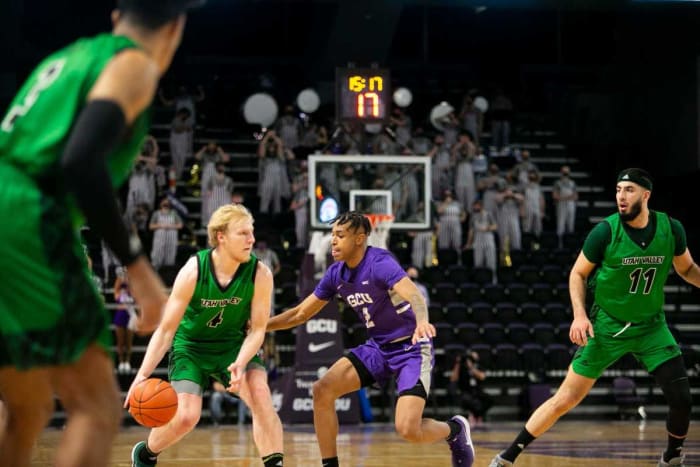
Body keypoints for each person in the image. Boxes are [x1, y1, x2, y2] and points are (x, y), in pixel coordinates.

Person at [0, 1, 198, 464]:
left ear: (114, 16)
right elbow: (80, 161)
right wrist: (139, 269)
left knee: (26, 405)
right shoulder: (134, 64)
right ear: (175, 28)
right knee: (95, 407)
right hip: (26, 215)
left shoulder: (70, 57)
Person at [489, 168, 698, 467]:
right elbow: (577, 273)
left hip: (651, 327)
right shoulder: (605, 231)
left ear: (646, 195)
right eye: (617, 190)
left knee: (682, 399)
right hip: (606, 327)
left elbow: (687, 269)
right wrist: (579, 315)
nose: (621, 197)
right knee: (565, 400)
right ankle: (506, 458)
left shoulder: (671, 228)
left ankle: (672, 457)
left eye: (628, 190)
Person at [267, 211, 474, 467]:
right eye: (332, 235)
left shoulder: (380, 263)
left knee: (408, 429)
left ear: (360, 238)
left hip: (411, 347)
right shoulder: (336, 274)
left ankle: (455, 430)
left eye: (340, 235)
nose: (333, 241)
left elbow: (415, 296)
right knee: (322, 390)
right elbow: (299, 313)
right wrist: (260, 327)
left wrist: (422, 321)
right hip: (378, 348)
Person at [126, 204, 284, 467]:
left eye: (252, 232)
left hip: (233, 346)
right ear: (221, 236)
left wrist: (241, 361)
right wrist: (142, 376)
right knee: (187, 416)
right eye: (243, 233)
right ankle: (146, 454)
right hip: (191, 347)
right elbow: (166, 329)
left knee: (260, 395)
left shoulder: (261, 274)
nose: (252, 239)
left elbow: (257, 329)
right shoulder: (194, 270)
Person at [449, 350, 493, 427]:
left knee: (488, 399)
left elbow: (482, 376)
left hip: (477, 390)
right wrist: (458, 363)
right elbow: (453, 379)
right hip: (465, 391)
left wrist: (471, 367)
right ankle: (476, 415)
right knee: (468, 399)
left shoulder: (478, 366)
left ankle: (477, 415)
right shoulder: (461, 367)